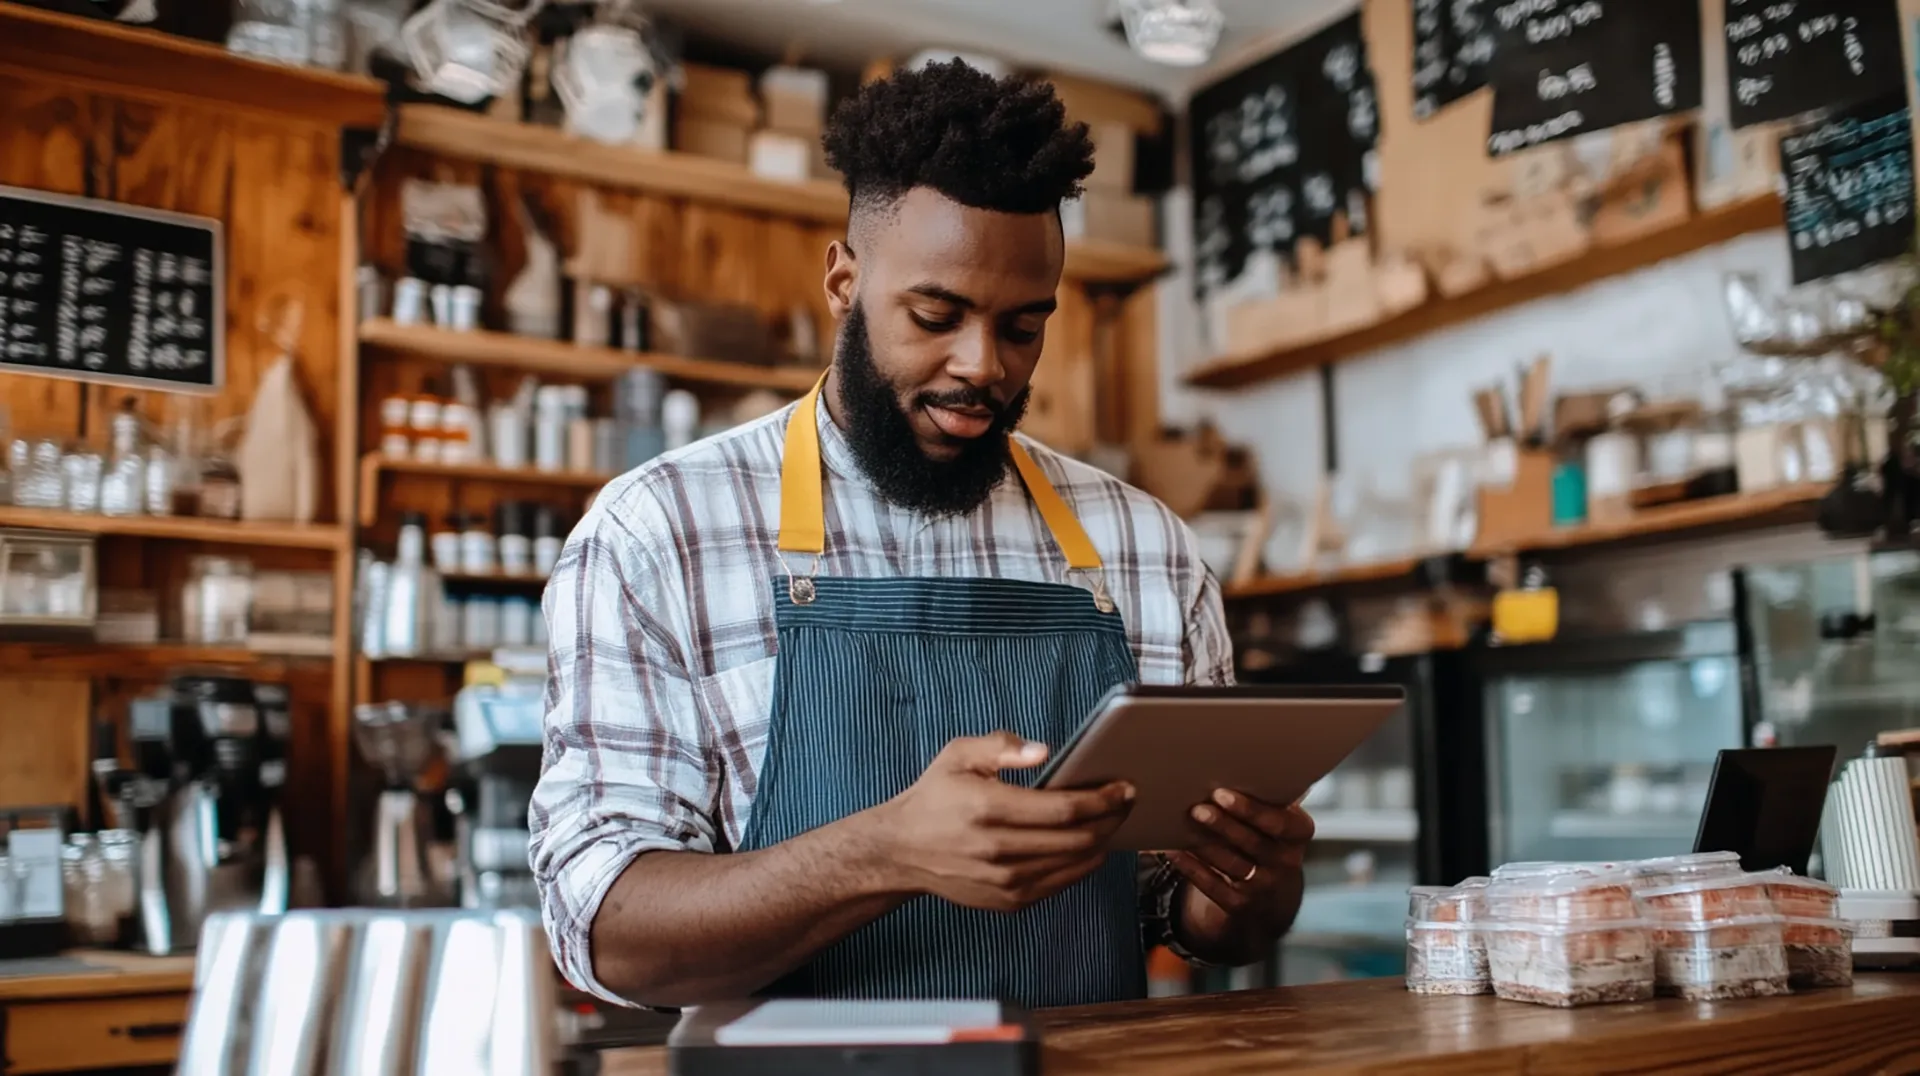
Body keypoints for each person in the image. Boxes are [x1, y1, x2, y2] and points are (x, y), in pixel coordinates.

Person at [530, 60, 1313, 1011]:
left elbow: (1177, 911)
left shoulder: (1144, 549)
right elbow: (605, 932)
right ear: (844, 281)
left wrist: (1243, 892)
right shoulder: (659, 536)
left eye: (1024, 328)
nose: (982, 366)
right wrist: (883, 853)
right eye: (936, 316)